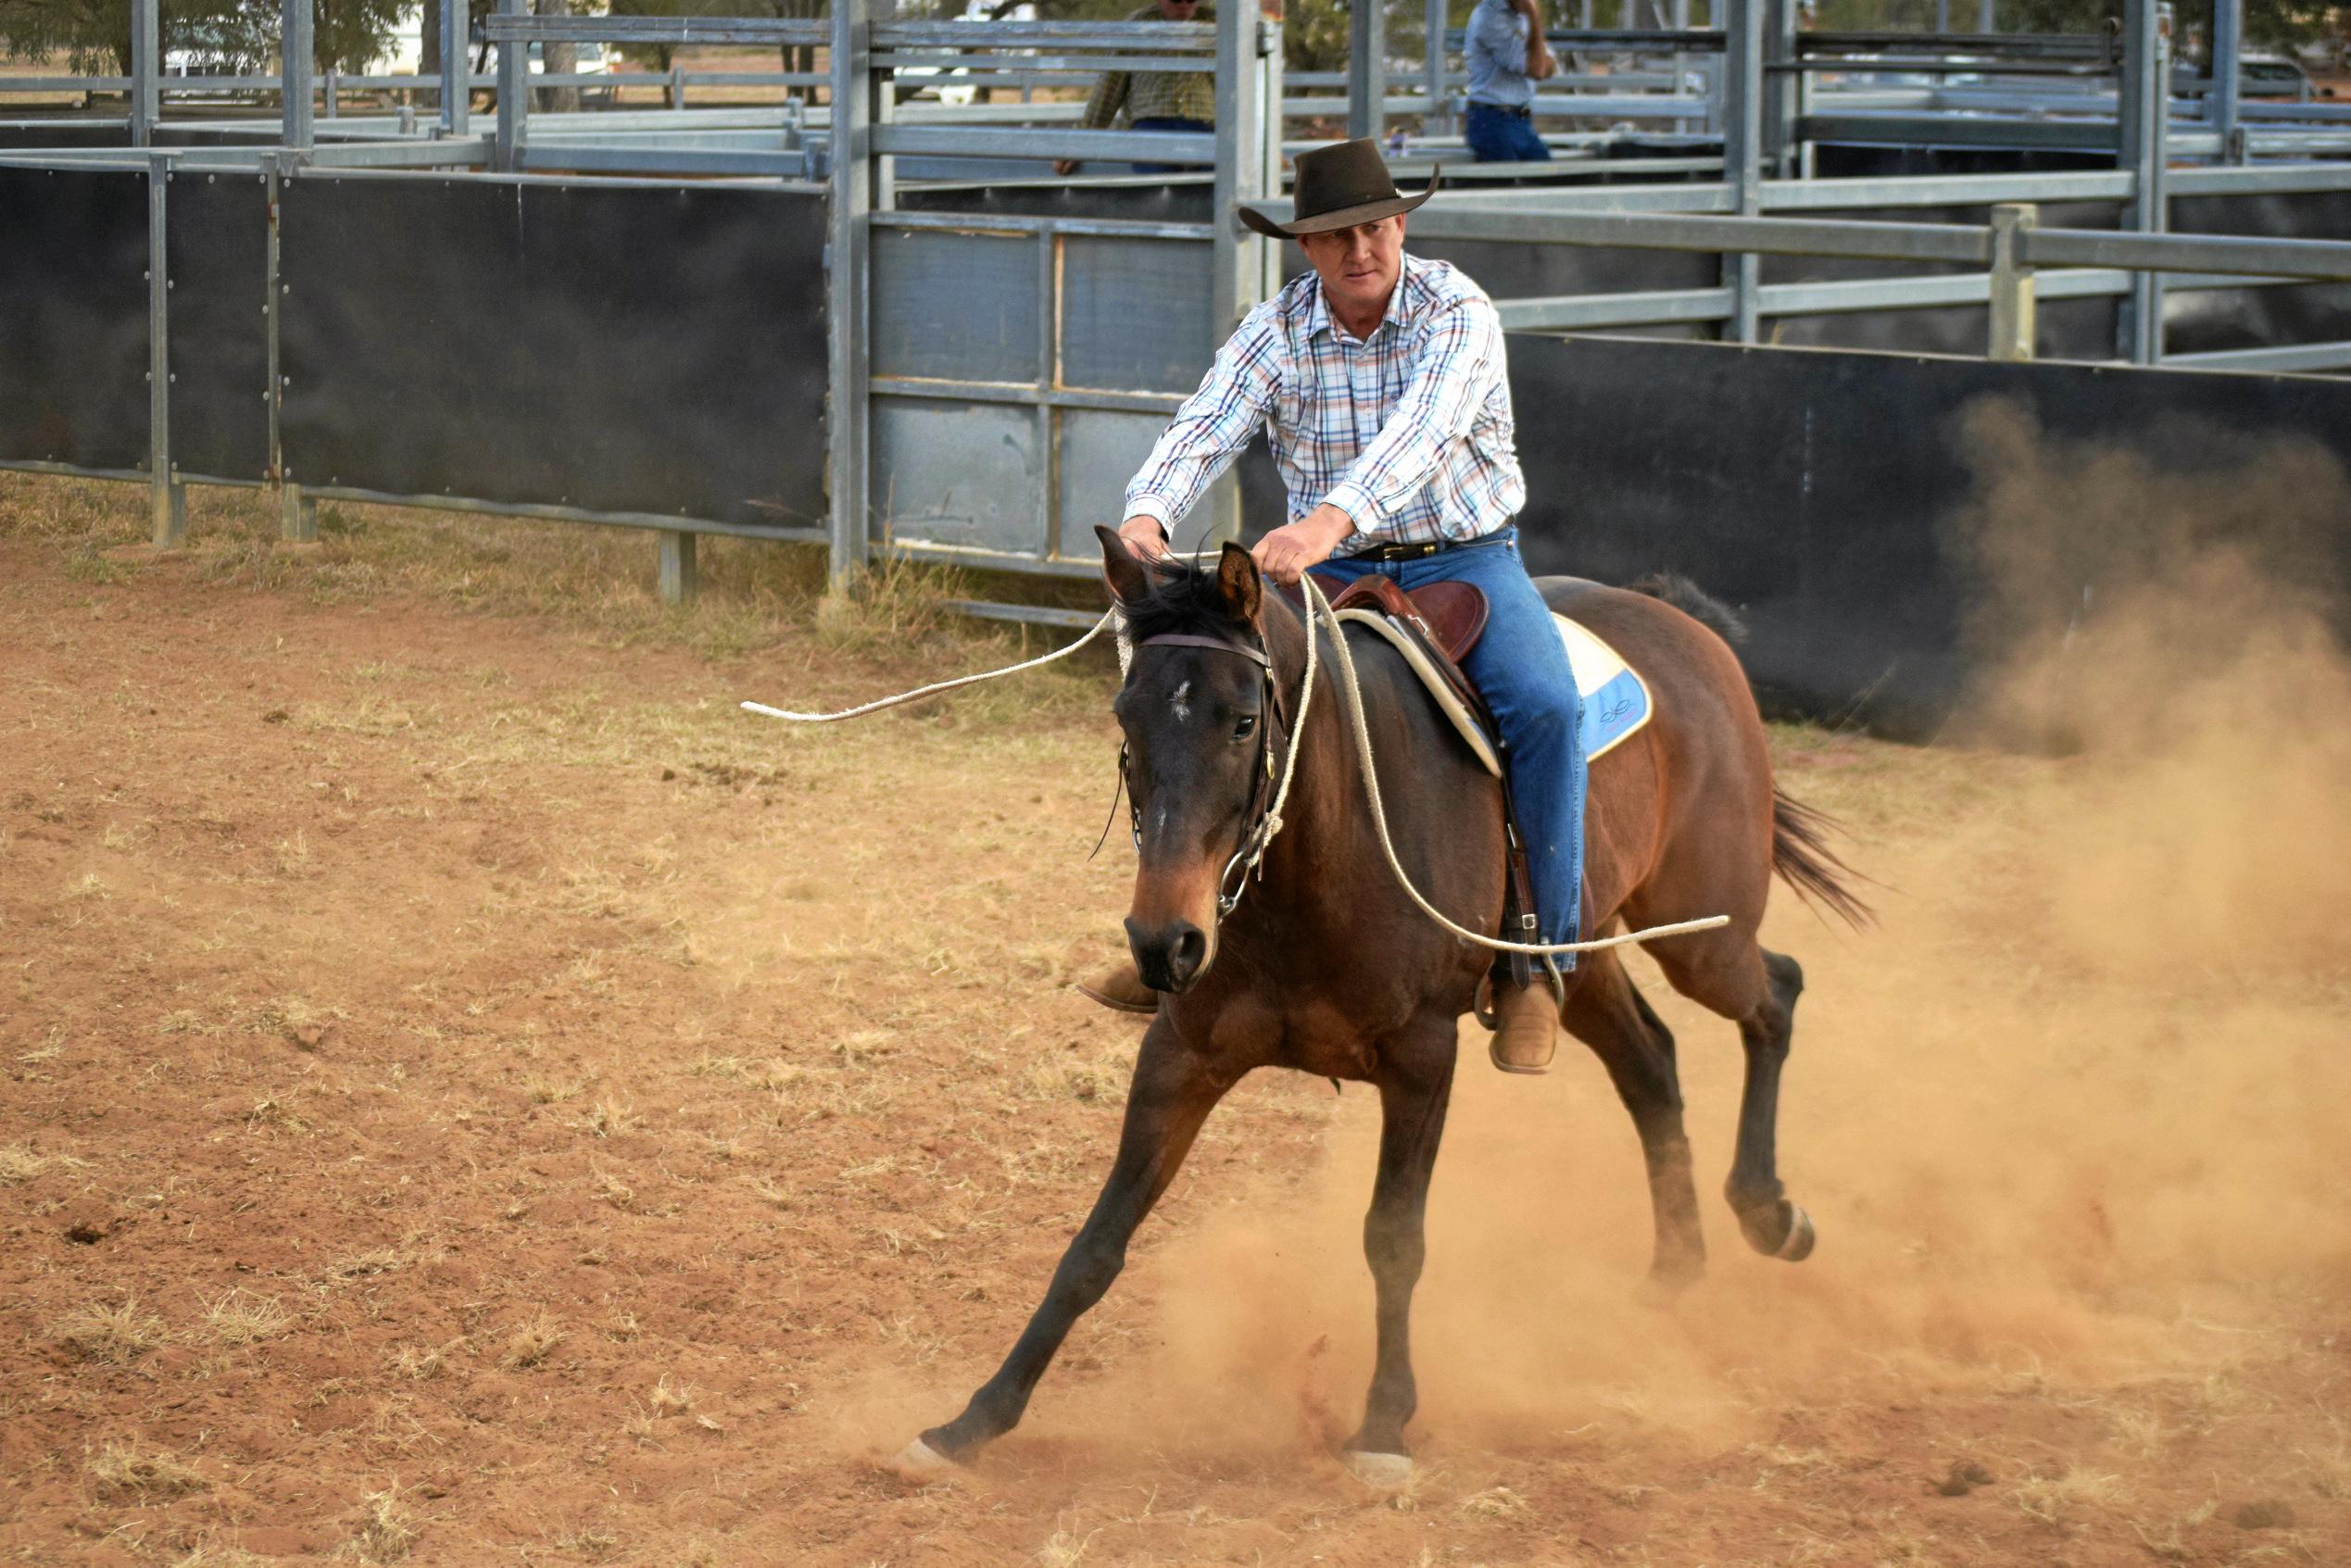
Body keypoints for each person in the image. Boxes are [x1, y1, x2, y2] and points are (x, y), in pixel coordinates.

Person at [1078, 138, 1587, 1075]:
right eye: (1334, 234)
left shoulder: (1457, 312)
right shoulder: (1276, 331)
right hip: (1330, 564)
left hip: (1463, 562)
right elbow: (1207, 421)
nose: (1360, 247)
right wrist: (1149, 511)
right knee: (1210, 712)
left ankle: (1540, 962)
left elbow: (1423, 433)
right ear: (1304, 249)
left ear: (1402, 225)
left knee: (1548, 708)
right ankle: (1186, 934)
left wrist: (1323, 521)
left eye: (1374, 226)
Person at [1054, 0, 1215, 178]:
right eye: (1176, 0)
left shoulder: (1217, 25)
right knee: (1155, 192)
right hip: (1151, 125)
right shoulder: (1138, 25)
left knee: (1212, 185)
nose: (1184, 5)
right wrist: (1081, 140)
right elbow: (1109, 87)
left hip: (1204, 124)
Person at [1463, 0, 1558, 163]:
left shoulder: (1523, 16)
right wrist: (1535, 17)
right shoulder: (1489, 17)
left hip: (1520, 118)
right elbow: (1537, 70)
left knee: (1546, 175)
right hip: (1492, 120)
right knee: (1505, 183)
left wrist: (1533, 21)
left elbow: (1548, 67)